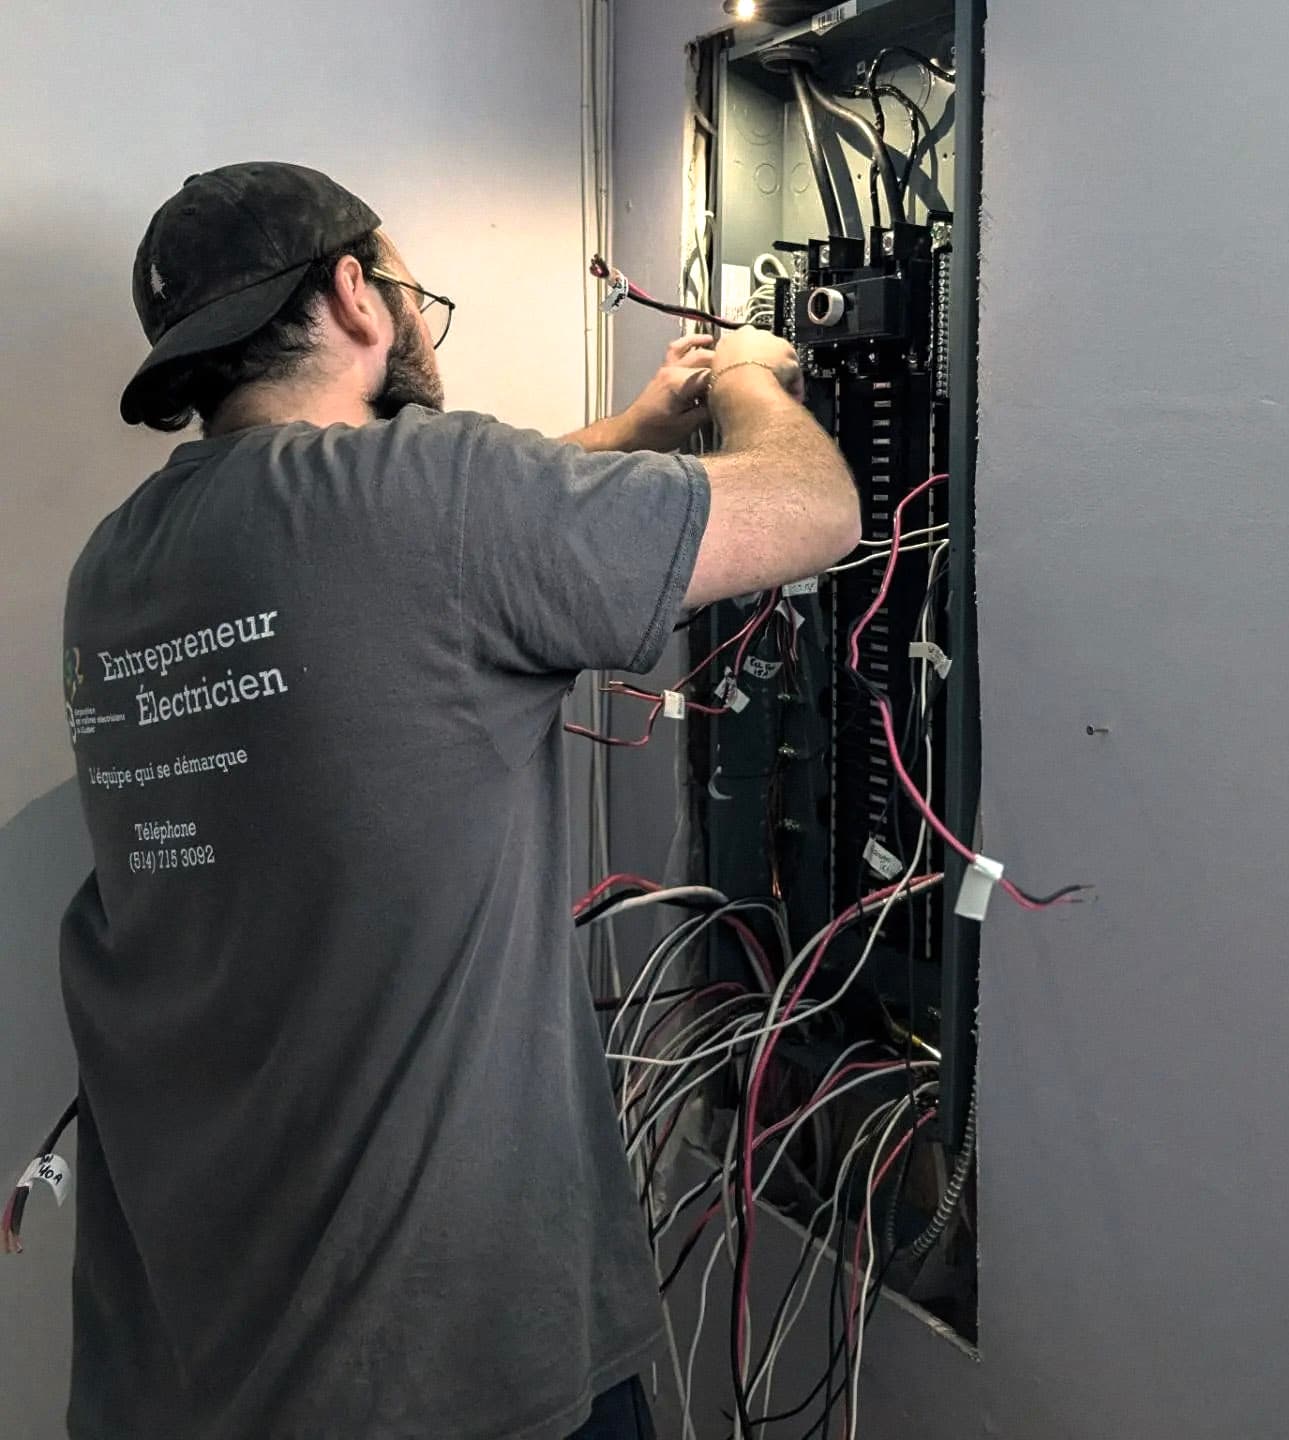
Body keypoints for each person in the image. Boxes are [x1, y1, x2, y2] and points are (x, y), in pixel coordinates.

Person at [59, 161, 858, 1440]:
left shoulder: (126, 562)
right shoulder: (426, 497)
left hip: (195, 1353)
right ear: (355, 293)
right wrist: (752, 381)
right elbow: (814, 511)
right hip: (451, 1360)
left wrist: (638, 428)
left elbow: (422, 558)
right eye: (410, 288)